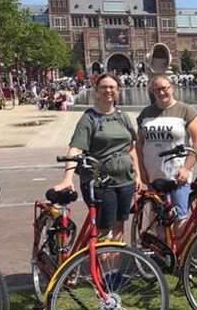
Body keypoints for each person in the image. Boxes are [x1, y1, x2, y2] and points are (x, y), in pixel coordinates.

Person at [52, 73, 141, 241]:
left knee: (119, 225)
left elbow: (131, 148)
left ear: (118, 91)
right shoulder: (89, 119)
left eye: (112, 87)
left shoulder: (123, 117)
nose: (108, 90)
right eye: (104, 87)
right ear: (96, 92)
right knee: (103, 229)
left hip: (125, 180)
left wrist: (138, 175)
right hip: (100, 182)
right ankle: (100, 265)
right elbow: (76, 149)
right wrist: (67, 178)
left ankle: (113, 268)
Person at [136, 74, 197, 232]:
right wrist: (141, 170)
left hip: (178, 175)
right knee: (159, 218)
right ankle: (162, 252)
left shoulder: (186, 111)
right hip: (154, 175)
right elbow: (140, 143)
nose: (161, 93)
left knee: (180, 217)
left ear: (172, 88)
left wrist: (187, 168)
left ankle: (178, 254)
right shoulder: (145, 114)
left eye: (164, 89)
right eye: (156, 90)